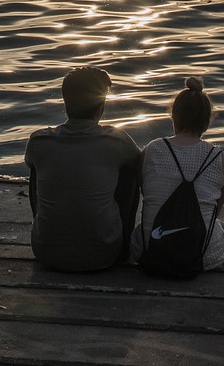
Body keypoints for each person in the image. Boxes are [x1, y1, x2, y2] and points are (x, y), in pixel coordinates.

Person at [24, 66, 140, 272]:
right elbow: (141, 165)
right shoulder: (116, 140)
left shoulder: (39, 140)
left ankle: (50, 230)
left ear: (65, 102)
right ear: (101, 106)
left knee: (38, 166)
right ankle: (123, 244)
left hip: (46, 252)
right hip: (105, 254)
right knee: (129, 170)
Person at [131, 75, 224, 271]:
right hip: (201, 256)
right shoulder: (221, 160)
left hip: (150, 250)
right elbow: (215, 211)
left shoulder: (151, 150)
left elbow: (146, 195)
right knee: (221, 226)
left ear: (174, 117)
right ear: (207, 122)